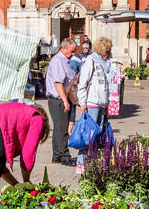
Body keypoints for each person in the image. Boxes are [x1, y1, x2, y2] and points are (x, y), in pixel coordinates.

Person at [73, 37, 113, 171]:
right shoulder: (91, 61)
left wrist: (106, 104)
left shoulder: (105, 64)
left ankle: (92, 160)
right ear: (103, 50)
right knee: (88, 134)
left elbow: (105, 85)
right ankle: (81, 162)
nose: (110, 53)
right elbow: (82, 83)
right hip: (92, 102)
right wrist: (83, 103)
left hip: (101, 103)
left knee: (97, 134)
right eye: (108, 50)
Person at [45, 38, 78, 166]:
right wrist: (65, 101)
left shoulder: (64, 60)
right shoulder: (58, 61)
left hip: (59, 98)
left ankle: (57, 155)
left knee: (58, 128)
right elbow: (58, 83)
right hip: (58, 99)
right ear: (63, 49)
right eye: (71, 51)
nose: (73, 54)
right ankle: (65, 156)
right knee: (63, 128)